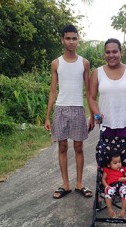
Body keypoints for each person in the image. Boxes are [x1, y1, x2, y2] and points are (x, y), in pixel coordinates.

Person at [44, 24, 94, 199]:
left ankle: (79, 183)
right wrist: (47, 116)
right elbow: (52, 91)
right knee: (62, 146)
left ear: (78, 40)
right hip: (60, 109)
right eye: (68, 38)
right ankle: (65, 184)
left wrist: (92, 115)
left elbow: (89, 92)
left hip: (78, 109)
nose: (71, 42)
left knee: (78, 147)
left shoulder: (84, 63)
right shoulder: (56, 63)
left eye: (74, 38)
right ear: (62, 40)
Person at [88, 38, 126, 137]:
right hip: (105, 122)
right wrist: (96, 114)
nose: (111, 55)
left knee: (123, 152)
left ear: (121, 52)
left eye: (115, 51)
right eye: (107, 52)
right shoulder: (97, 73)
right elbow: (91, 98)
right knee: (109, 152)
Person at [102, 151, 126, 218]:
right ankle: (110, 210)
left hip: (122, 185)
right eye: (115, 163)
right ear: (109, 165)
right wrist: (106, 185)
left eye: (119, 162)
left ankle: (123, 210)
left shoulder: (123, 169)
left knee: (125, 192)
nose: (118, 164)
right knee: (108, 192)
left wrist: (124, 178)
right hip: (111, 186)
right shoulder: (107, 170)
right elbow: (103, 179)